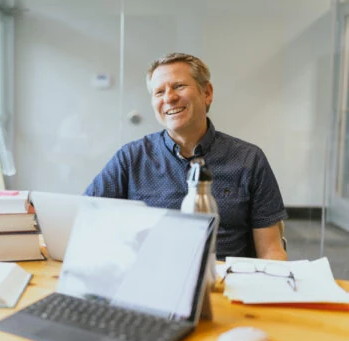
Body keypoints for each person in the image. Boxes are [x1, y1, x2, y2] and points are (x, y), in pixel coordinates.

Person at [84, 52, 288, 261]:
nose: (169, 98)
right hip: (150, 278)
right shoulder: (130, 158)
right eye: (159, 92)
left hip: (224, 285)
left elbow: (271, 251)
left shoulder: (248, 160)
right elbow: (86, 222)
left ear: (206, 93)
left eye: (179, 86)